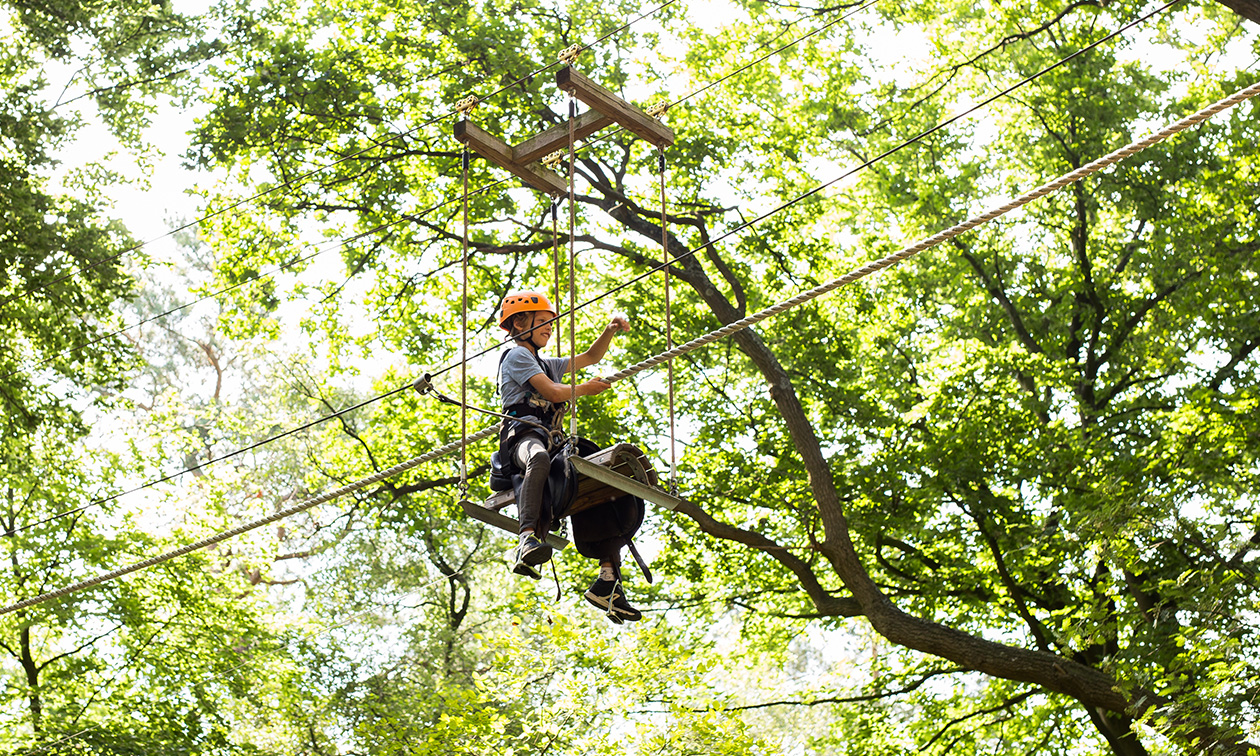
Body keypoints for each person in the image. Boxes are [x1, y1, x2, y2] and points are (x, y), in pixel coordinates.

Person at [495, 290, 642, 622]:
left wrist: (610, 330)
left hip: (552, 440)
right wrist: (583, 389)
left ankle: (608, 581)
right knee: (538, 458)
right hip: (523, 435)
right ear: (520, 323)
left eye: (551, 323)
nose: (550, 328)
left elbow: (590, 357)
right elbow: (550, 391)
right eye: (543, 322)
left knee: (600, 483)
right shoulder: (516, 356)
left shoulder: (548, 362)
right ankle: (527, 537)